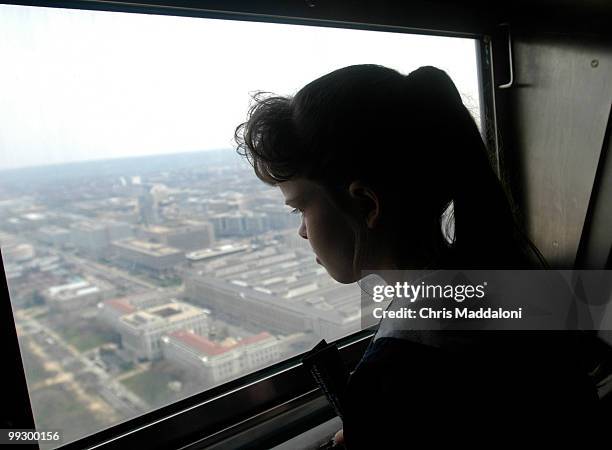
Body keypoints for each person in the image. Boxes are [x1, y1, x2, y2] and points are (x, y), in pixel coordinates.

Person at [234, 64, 601, 447]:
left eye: (300, 208)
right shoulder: (517, 291)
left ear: (366, 204)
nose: (303, 230)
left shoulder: (398, 373)